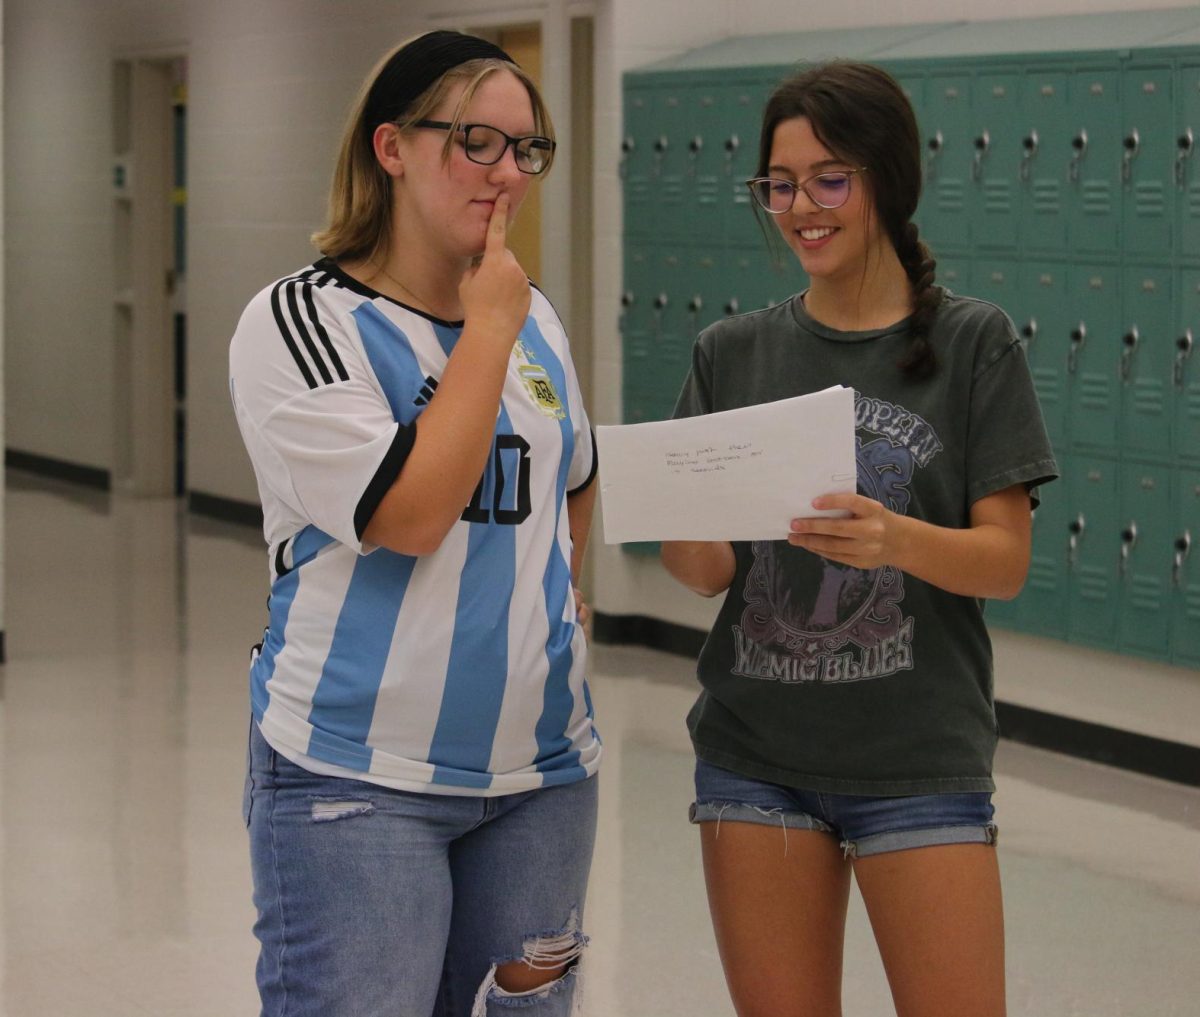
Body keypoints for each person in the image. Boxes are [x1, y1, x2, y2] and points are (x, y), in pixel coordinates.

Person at [661, 61, 1057, 1017]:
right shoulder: (731, 351)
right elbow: (706, 571)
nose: (801, 207)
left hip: (918, 758)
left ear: (886, 179)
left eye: (828, 179)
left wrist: (895, 540)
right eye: (781, 184)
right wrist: (676, 506)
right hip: (753, 755)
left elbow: (1003, 563)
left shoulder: (974, 342)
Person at [229, 30, 600, 1017]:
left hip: (543, 772)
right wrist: (485, 329)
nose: (508, 173)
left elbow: (577, 474)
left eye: (527, 149)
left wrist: (568, 599)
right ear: (392, 148)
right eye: (477, 141)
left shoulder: (538, 320)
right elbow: (411, 513)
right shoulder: (304, 322)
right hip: (358, 778)